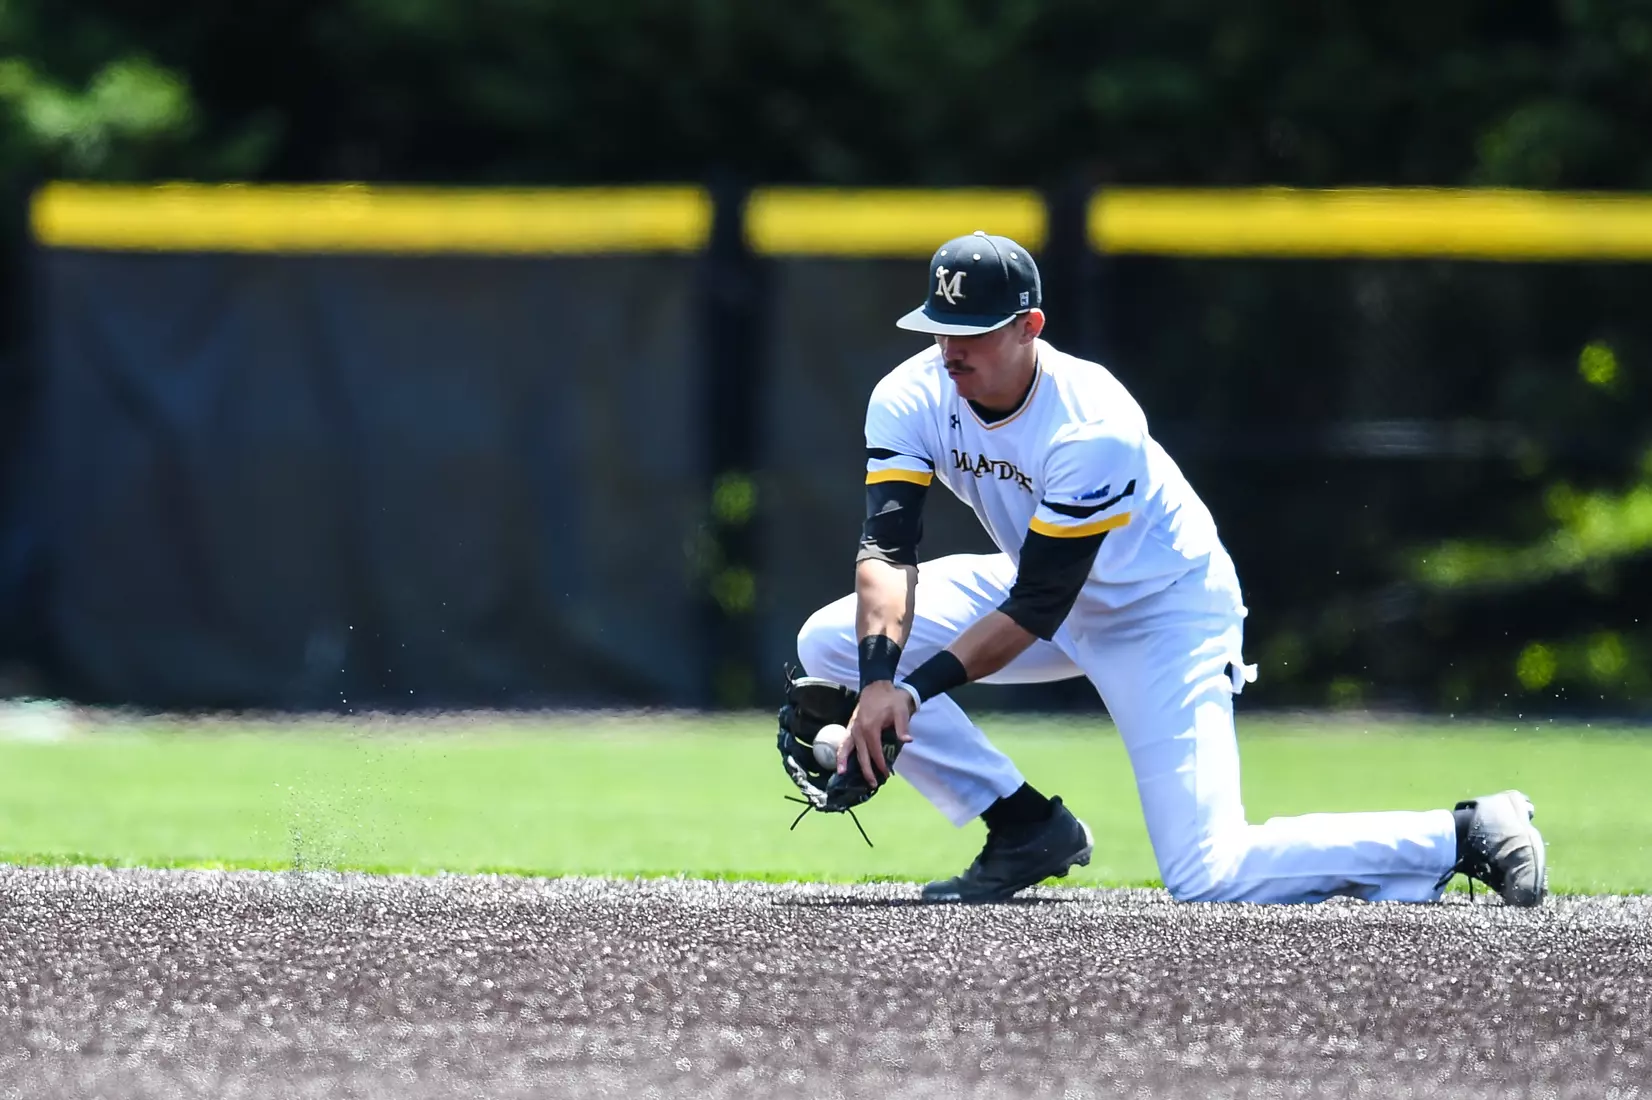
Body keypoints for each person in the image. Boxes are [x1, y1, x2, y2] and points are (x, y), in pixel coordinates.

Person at [791, 230, 1547, 906]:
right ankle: (1023, 826)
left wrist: (911, 696)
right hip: (1039, 589)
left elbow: (1037, 607)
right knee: (833, 643)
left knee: (1209, 872)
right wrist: (881, 680)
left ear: (1029, 328)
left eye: (975, 333)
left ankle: (1462, 832)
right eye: (940, 330)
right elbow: (889, 553)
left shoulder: (1094, 424)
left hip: (1162, 611)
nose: (951, 350)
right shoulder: (911, 393)